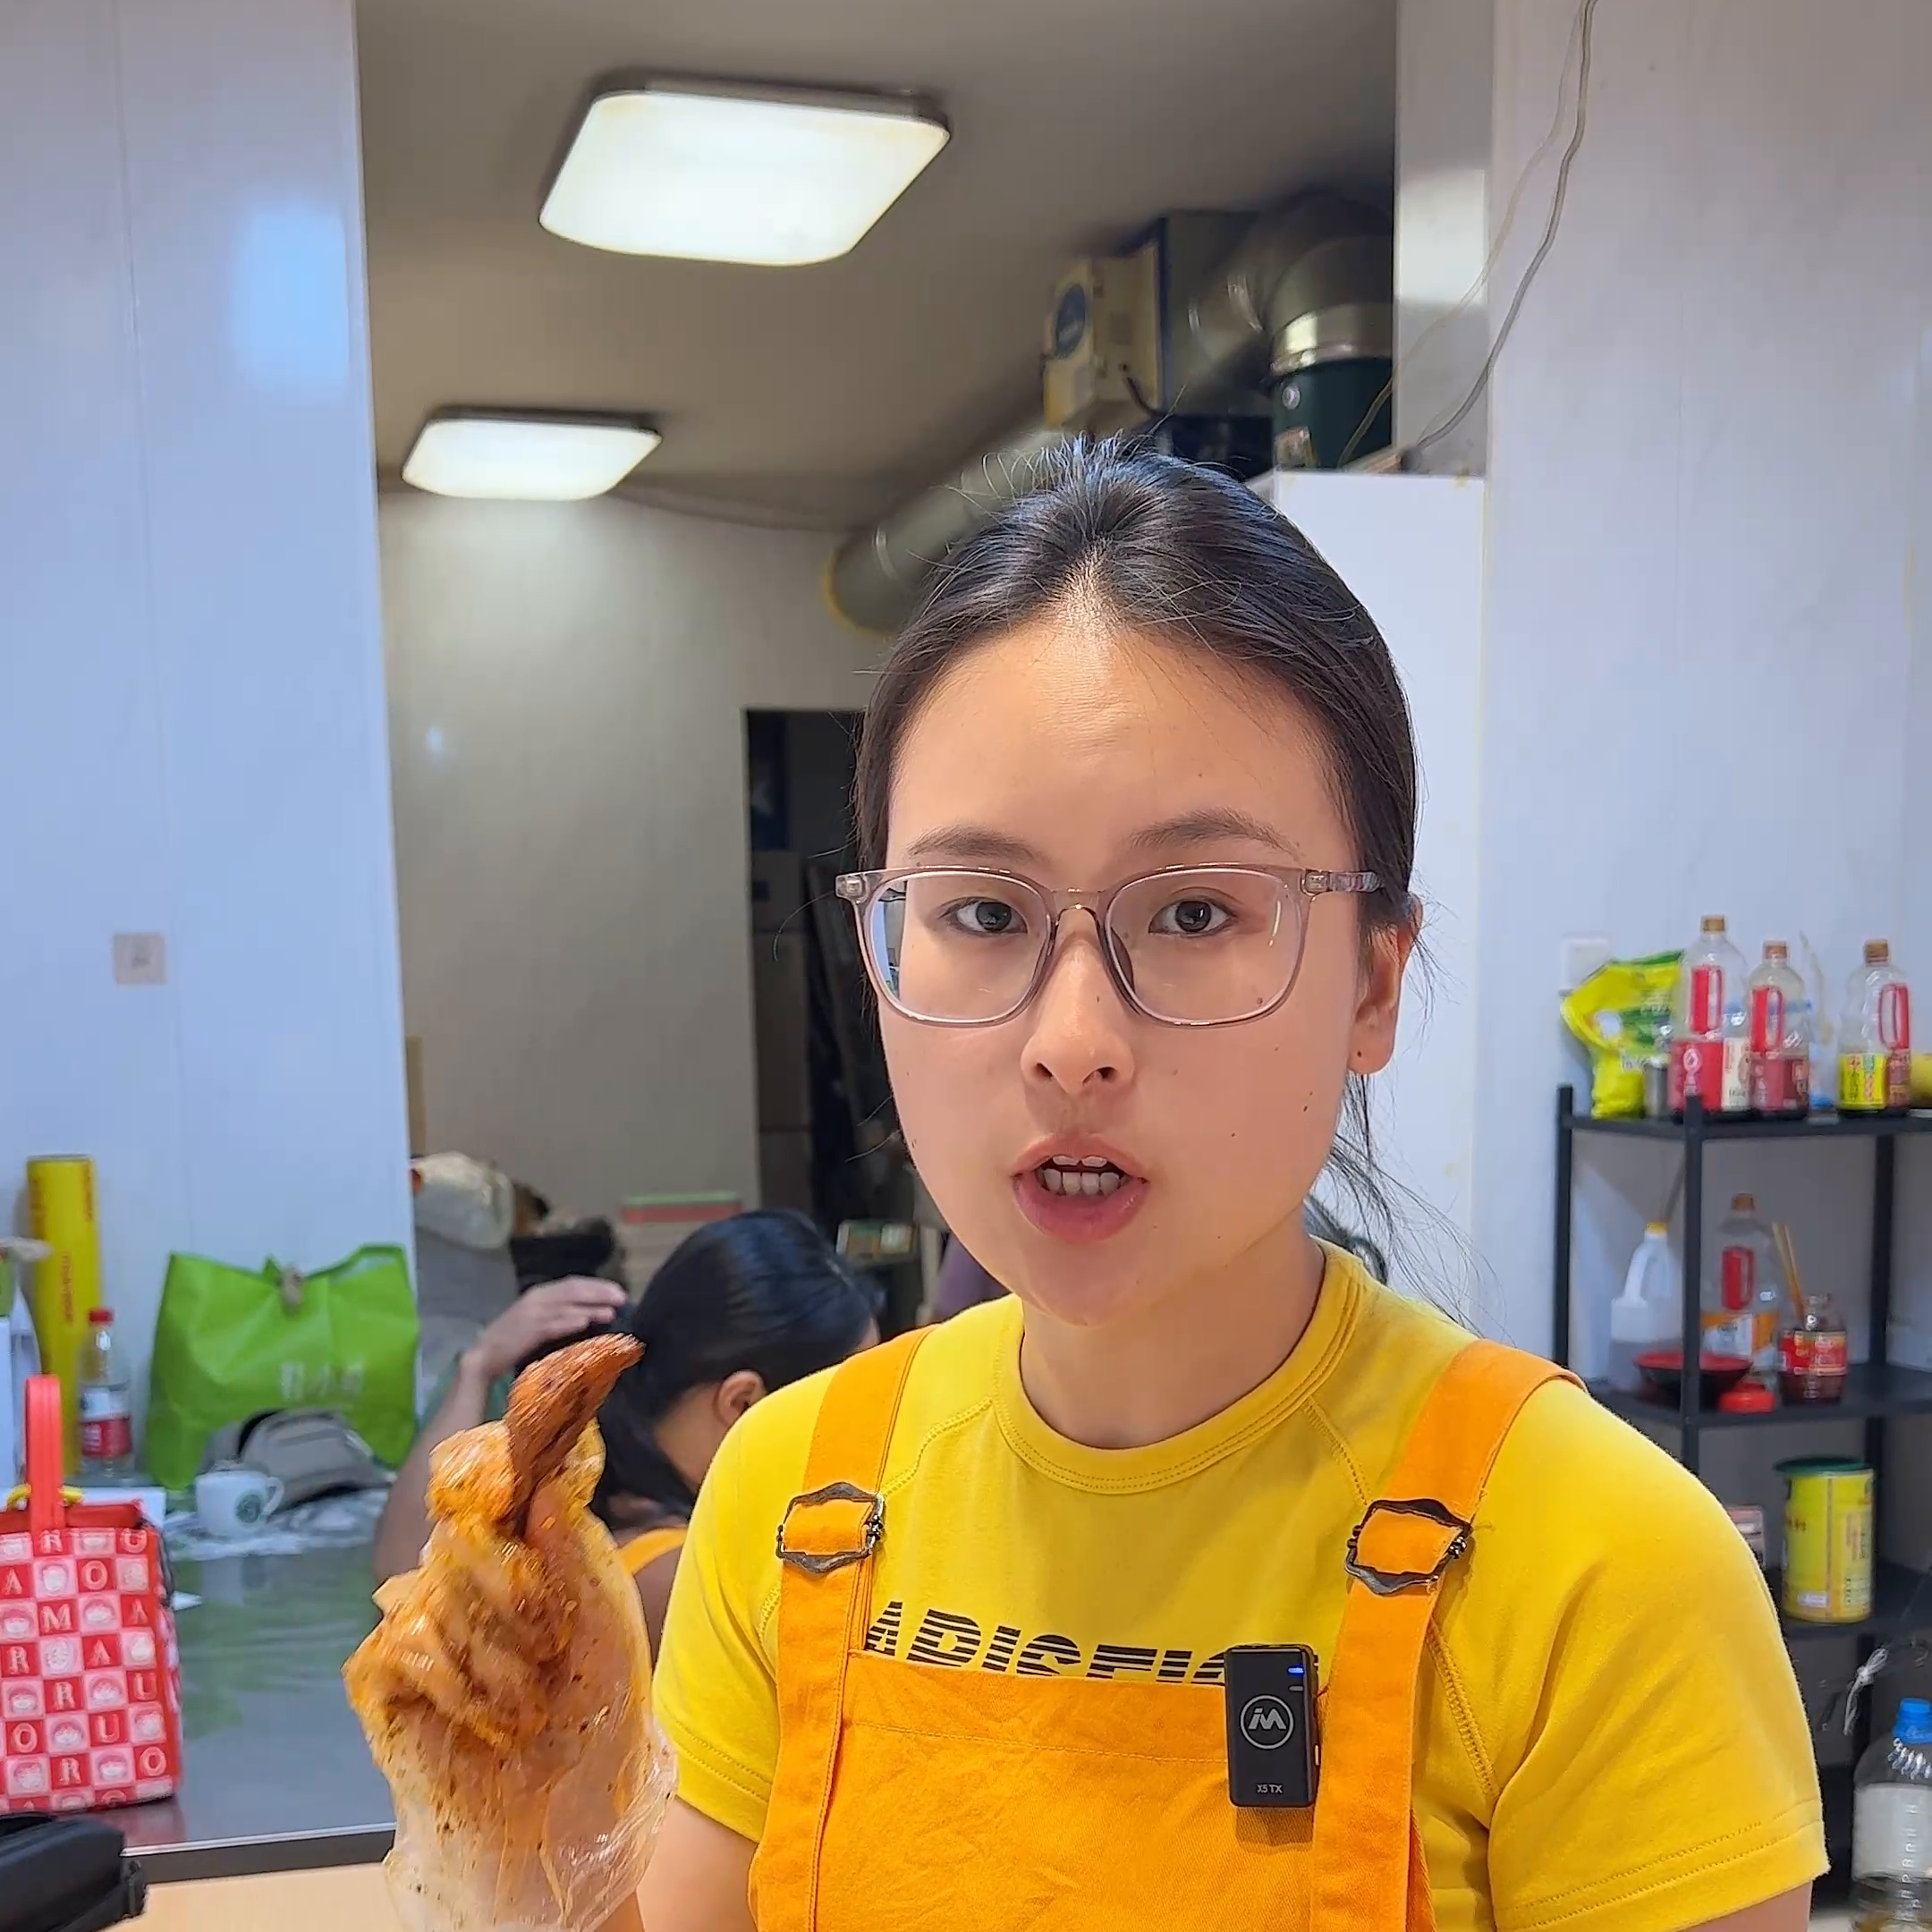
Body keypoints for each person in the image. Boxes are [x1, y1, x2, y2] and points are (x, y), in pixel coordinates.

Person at [382, 445, 1823, 1931]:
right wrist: (528, 1824)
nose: (1072, 1041)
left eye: (1194, 911)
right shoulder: (788, 1495)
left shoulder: (1602, 1567)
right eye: (982, 912)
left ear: (1374, 985)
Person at [371, 1209, 878, 1652]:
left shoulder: (589, 1473)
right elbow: (406, 1582)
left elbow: (398, 1566)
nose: (873, 1434)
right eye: (851, 1406)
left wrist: (478, 1367)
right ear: (742, 1401)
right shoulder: (678, 1575)